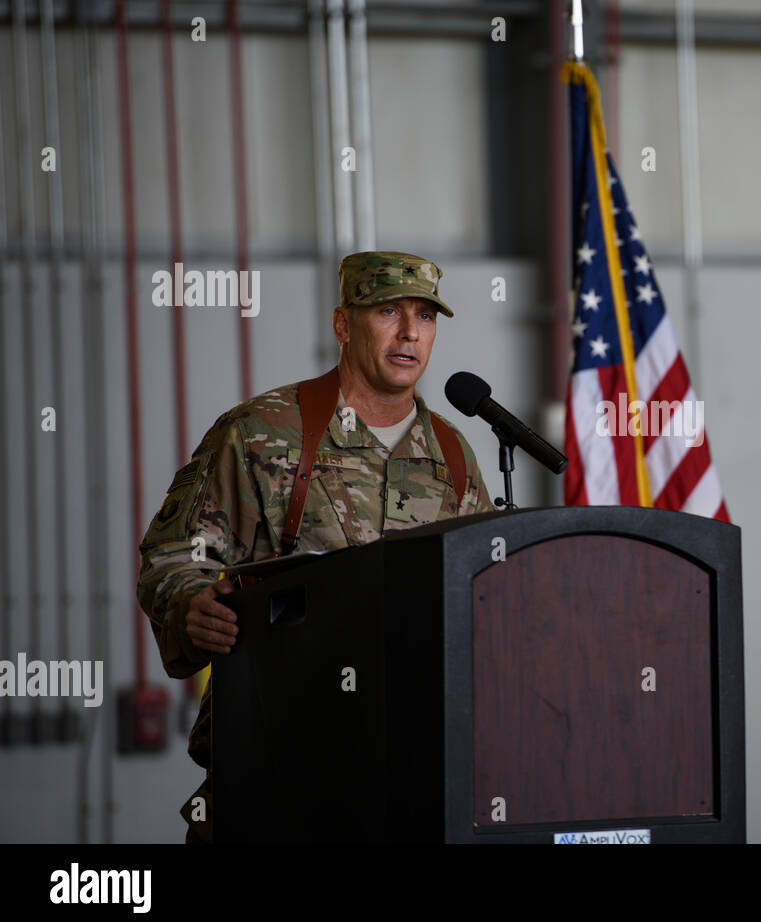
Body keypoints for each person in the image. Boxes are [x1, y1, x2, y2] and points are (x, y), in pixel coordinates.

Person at [136, 250, 495, 843]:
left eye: (426, 317)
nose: (410, 333)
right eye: (388, 311)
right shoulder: (262, 431)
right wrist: (191, 602)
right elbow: (174, 556)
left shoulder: (452, 455)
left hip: (414, 782)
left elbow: (481, 596)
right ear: (342, 324)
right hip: (277, 773)